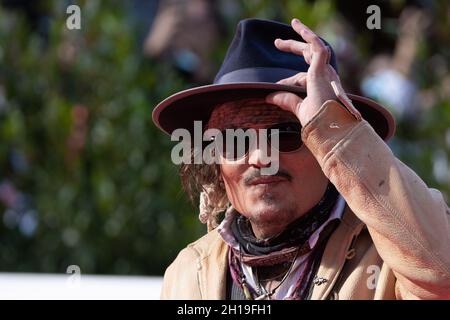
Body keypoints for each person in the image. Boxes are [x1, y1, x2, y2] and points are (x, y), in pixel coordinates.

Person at [152, 18, 450, 300]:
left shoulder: (390, 260)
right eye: (235, 140)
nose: (260, 157)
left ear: (325, 149)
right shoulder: (188, 273)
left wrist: (333, 126)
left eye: (286, 134)